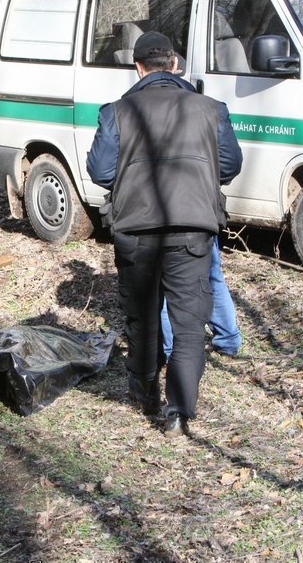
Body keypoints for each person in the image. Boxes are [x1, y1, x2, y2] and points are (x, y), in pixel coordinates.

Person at [86, 31, 242, 437]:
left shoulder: (116, 111)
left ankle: (145, 394)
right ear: (175, 64)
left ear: (137, 68)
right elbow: (229, 165)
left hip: (136, 228)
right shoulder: (210, 108)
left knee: (142, 316)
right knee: (189, 322)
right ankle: (178, 411)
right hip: (192, 227)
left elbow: (101, 171)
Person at [161, 237, 243, 358]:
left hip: (163, 230)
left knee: (163, 285)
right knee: (212, 277)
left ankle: (171, 350)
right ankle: (228, 340)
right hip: (204, 224)